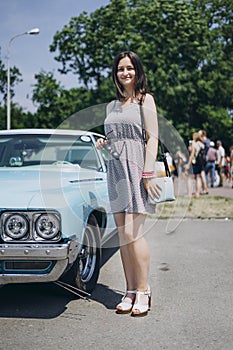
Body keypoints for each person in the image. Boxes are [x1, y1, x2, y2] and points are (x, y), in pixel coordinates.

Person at [95, 51, 159, 317]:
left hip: (136, 171)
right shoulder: (111, 106)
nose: (125, 73)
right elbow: (118, 138)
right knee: (123, 237)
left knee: (135, 234)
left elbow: (152, 139)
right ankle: (130, 290)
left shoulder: (146, 100)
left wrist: (147, 174)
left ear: (137, 71)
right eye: (121, 69)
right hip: (116, 171)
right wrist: (106, 143)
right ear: (116, 73)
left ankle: (144, 290)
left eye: (129, 68)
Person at [185, 132, 205, 198]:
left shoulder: (194, 143)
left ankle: (189, 194)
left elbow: (192, 154)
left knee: (189, 178)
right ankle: (197, 193)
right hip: (201, 163)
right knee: (198, 177)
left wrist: (188, 164)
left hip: (195, 162)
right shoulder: (201, 144)